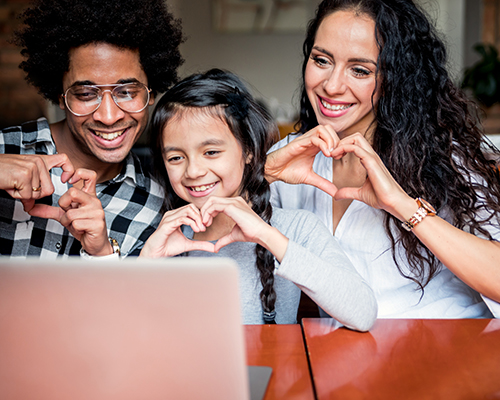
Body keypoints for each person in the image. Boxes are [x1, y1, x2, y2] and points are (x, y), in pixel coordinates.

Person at [265, 0, 500, 318]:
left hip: (448, 344)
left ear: (394, 79)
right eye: (322, 60)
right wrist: (265, 173)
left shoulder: (442, 155)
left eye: (360, 70)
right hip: (345, 354)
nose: (332, 86)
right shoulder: (291, 157)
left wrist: (403, 206)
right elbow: (213, 242)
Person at [139, 69, 377, 329]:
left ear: (249, 151)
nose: (193, 171)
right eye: (175, 158)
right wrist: (148, 262)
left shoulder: (296, 227)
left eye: (211, 152)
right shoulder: (169, 236)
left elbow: (362, 313)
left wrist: (267, 235)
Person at [0, 0, 183, 257]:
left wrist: (105, 254)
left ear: (150, 94)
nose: (108, 117)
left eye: (127, 92)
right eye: (86, 94)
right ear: (61, 96)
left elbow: (141, 297)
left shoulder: (160, 207)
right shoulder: (4, 150)